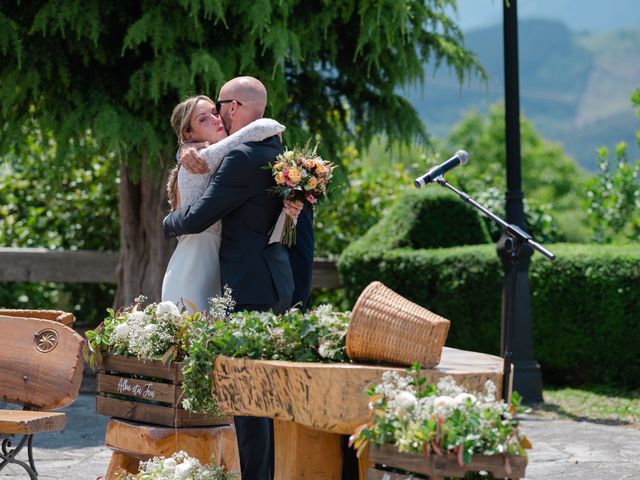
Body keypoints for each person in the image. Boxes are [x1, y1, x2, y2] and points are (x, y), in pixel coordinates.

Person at [163, 76, 302, 480]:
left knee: (248, 396)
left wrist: (167, 223)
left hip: (247, 285)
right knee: (259, 397)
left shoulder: (243, 155)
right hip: (272, 279)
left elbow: (200, 215)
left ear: (236, 106)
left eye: (220, 106)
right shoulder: (280, 154)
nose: (219, 115)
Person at [161, 94, 286, 313]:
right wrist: (272, 127)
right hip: (194, 267)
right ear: (188, 135)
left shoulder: (203, 155)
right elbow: (258, 130)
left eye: (215, 112)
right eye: (203, 119)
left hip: (213, 265)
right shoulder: (201, 159)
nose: (216, 119)